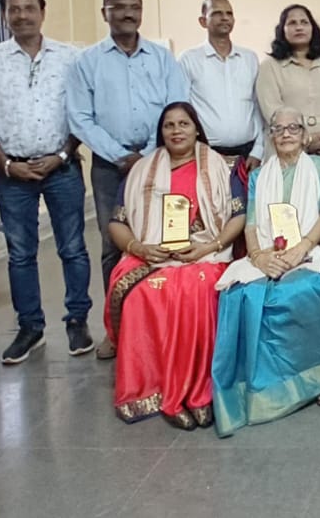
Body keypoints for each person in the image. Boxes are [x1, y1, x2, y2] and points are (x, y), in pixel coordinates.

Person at [0, 0, 94, 365]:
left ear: (43, 12)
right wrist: (7, 164)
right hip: (13, 172)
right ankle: (30, 328)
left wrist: (62, 154)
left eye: (29, 8)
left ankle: (77, 320)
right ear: (5, 15)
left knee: (72, 247)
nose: (22, 15)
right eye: (14, 9)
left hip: (62, 167)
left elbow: (83, 112)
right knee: (21, 253)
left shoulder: (71, 58)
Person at [104, 102, 245, 429]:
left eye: (184, 124)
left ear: (197, 129)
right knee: (142, 295)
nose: (177, 130)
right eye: (169, 125)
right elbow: (117, 223)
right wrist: (139, 248)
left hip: (205, 253)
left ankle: (198, 392)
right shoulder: (141, 171)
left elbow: (238, 216)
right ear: (161, 132)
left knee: (197, 291)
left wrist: (209, 246)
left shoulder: (222, 166)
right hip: (151, 253)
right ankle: (161, 391)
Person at [211, 108, 320, 437]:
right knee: (242, 293)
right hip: (267, 250)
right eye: (278, 129)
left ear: (305, 135)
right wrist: (259, 257)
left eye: (293, 128)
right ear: (270, 136)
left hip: (311, 249)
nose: (286, 133)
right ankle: (258, 386)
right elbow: (251, 223)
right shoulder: (259, 176)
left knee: (303, 290)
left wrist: (302, 249)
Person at [67, 0, 190, 353]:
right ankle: (116, 328)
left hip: (163, 161)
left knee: (165, 236)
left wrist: (150, 153)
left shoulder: (162, 58)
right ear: (104, 12)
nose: (127, 13)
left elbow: (176, 106)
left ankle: (160, 321)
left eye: (134, 6)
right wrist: (121, 156)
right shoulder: (87, 62)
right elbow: (80, 118)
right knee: (113, 244)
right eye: (118, 7)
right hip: (110, 168)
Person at [179, 0, 263, 174]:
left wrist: (258, 150)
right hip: (206, 155)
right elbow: (182, 110)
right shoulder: (189, 59)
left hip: (248, 155)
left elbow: (258, 107)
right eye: (217, 13)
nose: (225, 18)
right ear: (203, 21)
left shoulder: (249, 58)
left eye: (229, 13)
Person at [257, 4, 320, 160]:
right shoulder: (270, 66)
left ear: (313, 28)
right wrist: (306, 140)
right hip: (286, 147)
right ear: (282, 30)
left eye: (304, 22)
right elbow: (272, 110)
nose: (299, 27)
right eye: (292, 23)